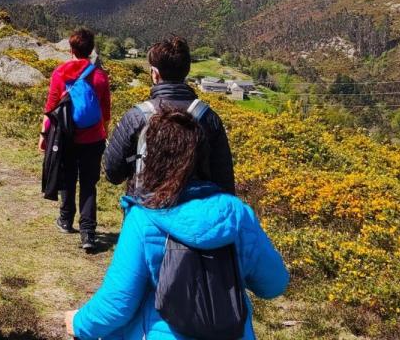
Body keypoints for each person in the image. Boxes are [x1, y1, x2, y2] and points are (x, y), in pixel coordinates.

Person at [66, 109, 289, 340]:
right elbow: (274, 284)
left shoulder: (143, 218)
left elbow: (117, 304)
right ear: (203, 157)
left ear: (152, 160)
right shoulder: (237, 214)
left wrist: (78, 322)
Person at [104, 35, 235, 196]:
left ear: (154, 73)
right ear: (186, 71)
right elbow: (224, 180)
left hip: (147, 213)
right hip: (195, 216)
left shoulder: (136, 117)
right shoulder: (208, 118)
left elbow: (113, 173)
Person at [40, 28, 112, 251]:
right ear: (91, 51)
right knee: (89, 184)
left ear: (71, 49)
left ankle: (65, 219)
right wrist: (103, 132)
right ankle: (88, 233)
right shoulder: (100, 76)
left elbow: (51, 108)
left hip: (66, 136)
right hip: (93, 138)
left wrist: (43, 135)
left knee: (68, 177)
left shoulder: (60, 73)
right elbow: (105, 112)